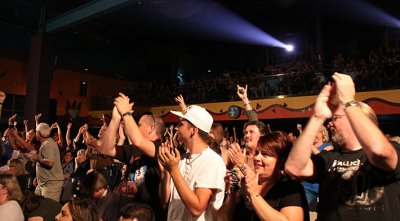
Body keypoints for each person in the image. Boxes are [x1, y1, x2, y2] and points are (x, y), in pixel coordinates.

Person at [285, 73, 400, 221]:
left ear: (354, 121)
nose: (330, 123)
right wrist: (318, 116)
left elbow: (380, 152)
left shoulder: (393, 149)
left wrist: (348, 101)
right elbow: (294, 168)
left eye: (335, 118)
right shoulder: (330, 157)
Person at [98, 93, 165, 219]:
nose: (135, 128)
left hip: (150, 215)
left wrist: (126, 113)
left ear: (151, 128)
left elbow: (139, 141)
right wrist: (115, 119)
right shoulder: (134, 150)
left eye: (139, 125)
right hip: (130, 213)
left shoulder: (161, 148)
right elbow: (106, 149)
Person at [219, 131, 309, 221]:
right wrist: (232, 196)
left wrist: (254, 195)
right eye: (257, 153)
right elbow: (221, 218)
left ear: (280, 161)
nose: (257, 158)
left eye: (265, 154)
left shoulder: (290, 188)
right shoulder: (245, 183)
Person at [159, 105, 226, 221]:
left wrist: (174, 170)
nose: (176, 128)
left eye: (181, 124)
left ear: (193, 130)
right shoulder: (180, 159)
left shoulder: (212, 161)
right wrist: (166, 170)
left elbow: (197, 208)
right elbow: (164, 201)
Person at [303, 126, 333, 207]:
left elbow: (323, 158)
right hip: (307, 185)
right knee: (302, 207)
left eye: (317, 132)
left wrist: (310, 145)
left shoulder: (328, 146)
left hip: (322, 186)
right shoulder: (307, 147)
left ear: (323, 134)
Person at [33, 123, 64, 202]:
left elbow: (50, 163)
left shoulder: (48, 144)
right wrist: (39, 177)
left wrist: (36, 158)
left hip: (51, 185)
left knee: (48, 210)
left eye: (36, 131)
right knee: (34, 206)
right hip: (43, 183)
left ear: (38, 133)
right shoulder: (46, 143)